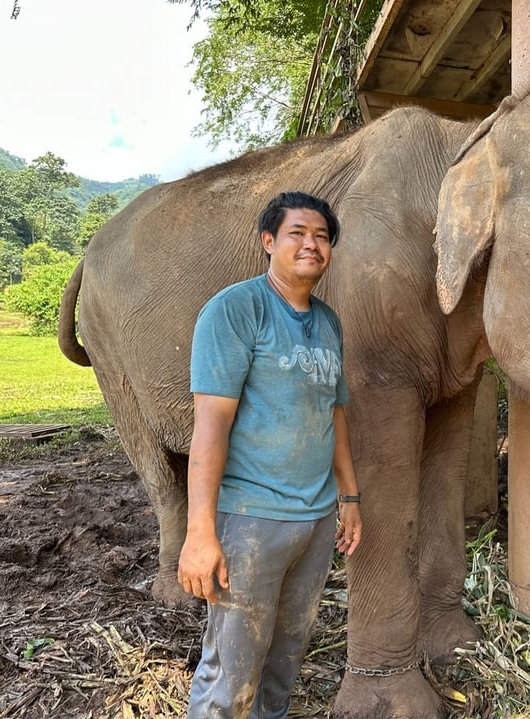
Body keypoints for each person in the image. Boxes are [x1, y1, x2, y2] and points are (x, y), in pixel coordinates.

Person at [178, 191, 362, 719]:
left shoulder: (328, 322)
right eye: (297, 233)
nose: (312, 244)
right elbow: (210, 426)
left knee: (284, 663)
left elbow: (334, 414)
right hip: (251, 520)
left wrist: (348, 496)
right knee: (231, 672)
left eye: (322, 236)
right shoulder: (236, 310)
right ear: (268, 242)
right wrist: (200, 532)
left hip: (315, 521)